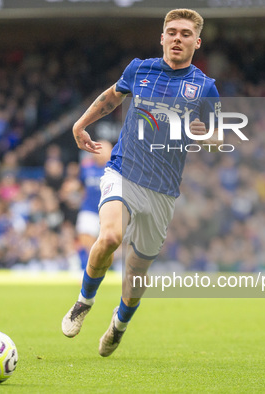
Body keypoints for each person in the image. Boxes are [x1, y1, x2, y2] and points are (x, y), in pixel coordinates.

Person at [62, 8, 221, 357]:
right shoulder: (140, 69)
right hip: (124, 170)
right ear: (162, 37)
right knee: (110, 237)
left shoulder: (205, 87)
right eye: (172, 32)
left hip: (162, 190)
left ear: (197, 41)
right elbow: (111, 98)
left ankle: (119, 324)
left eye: (184, 33)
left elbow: (219, 136)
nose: (177, 38)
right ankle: (83, 301)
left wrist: (204, 134)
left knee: (135, 274)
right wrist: (80, 124)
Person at [75, 141, 113, 270]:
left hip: (109, 212)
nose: (101, 153)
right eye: (98, 149)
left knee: (107, 244)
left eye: (104, 150)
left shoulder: (116, 169)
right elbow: (81, 185)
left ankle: (104, 268)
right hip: (89, 209)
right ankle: (86, 268)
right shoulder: (86, 167)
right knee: (86, 240)